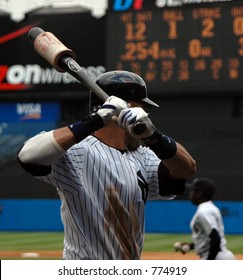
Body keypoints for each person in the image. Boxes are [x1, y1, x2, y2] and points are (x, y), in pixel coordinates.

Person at [17, 70, 196, 260]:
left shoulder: (143, 157)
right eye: (142, 106)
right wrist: (95, 120)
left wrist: (154, 136)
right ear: (124, 108)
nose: (145, 112)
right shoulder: (79, 152)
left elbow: (187, 168)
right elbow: (28, 155)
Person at [174, 177, 235, 260]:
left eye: (193, 191)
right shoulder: (210, 207)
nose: (190, 193)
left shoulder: (204, 211)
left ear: (199, 193)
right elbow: (209, 240)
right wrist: (190, 246)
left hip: (216, 257)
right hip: (221, 256)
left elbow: (215, 238)